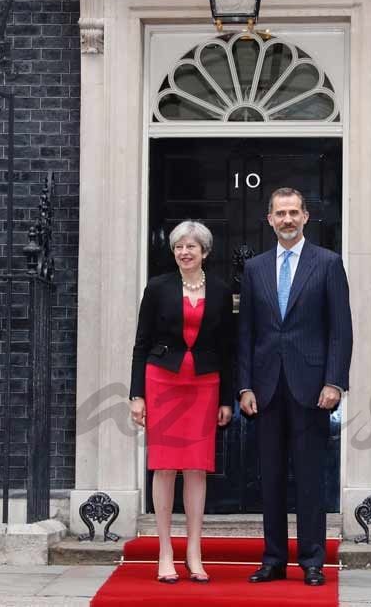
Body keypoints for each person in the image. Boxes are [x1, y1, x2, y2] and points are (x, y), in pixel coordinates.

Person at [237, 188, 353, 587]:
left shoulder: (328, 264)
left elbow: (341, 331)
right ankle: (273, 559)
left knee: (309, 478)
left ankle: (312, 560)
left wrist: (335, 381)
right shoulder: (255, 269)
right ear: (269, 219)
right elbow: (247, 333)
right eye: (279, 213)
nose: (287, 220)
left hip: (312, 388)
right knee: (269, 479)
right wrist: (244, 386)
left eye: (293, 213)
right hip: (266, 389)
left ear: (306, 217)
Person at [129, 220, 235, 584]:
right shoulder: (158, 288)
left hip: (205, 383)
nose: (184, 252)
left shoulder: (221, 292)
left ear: (204, 251)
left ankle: (194, 550)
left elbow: (227, 350)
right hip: (162, 381)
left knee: (195, 468)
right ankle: (164, 550)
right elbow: (141, 343)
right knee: (165, 467)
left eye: (191, 246)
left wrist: (226, 399)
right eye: (179, 247)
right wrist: (136, 395)